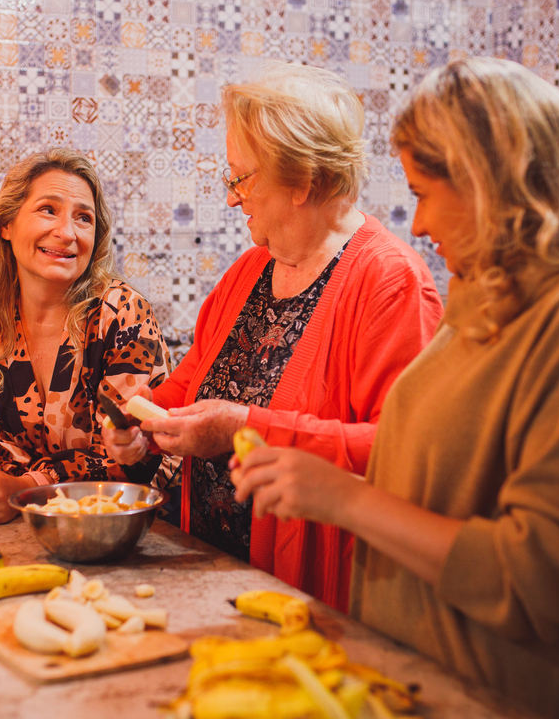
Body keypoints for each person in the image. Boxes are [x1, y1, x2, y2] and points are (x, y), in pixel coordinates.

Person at [231, 58, 559, 719]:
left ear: (488, 178)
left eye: (423, 192)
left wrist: (342, 498)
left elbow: (552, 575)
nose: (415, 221)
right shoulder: (488, 296)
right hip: (442, 703)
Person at [103, 63, 444, 612]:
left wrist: (247, 427)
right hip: (212, 579)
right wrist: (138, 437)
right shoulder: (249, 271)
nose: (234, 198)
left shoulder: (389, 280)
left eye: (243, 177)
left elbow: (400, 452)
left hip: (309, 597)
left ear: (303, 181)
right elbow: (187, 390)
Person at [0, 149, 174, 524]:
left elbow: (130, 459)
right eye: (48, 209)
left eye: (83, 218)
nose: (66, 233)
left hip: (136, 527)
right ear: (7, 225)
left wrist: (24, 486)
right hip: (32, 526)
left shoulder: (121, 314)